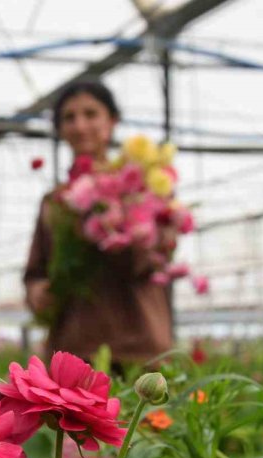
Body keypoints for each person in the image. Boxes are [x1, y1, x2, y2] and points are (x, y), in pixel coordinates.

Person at [23, 81, 172, 365]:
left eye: (91, 114)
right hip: (73, 349)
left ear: (112, 121)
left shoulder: (139, 186)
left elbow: (160, 256)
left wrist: (125, 232)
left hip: (138, 345)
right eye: (69, 118)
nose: (80, 126)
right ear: (60, 130)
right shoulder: (55, 202)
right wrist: (38, 292)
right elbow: (35, 272)